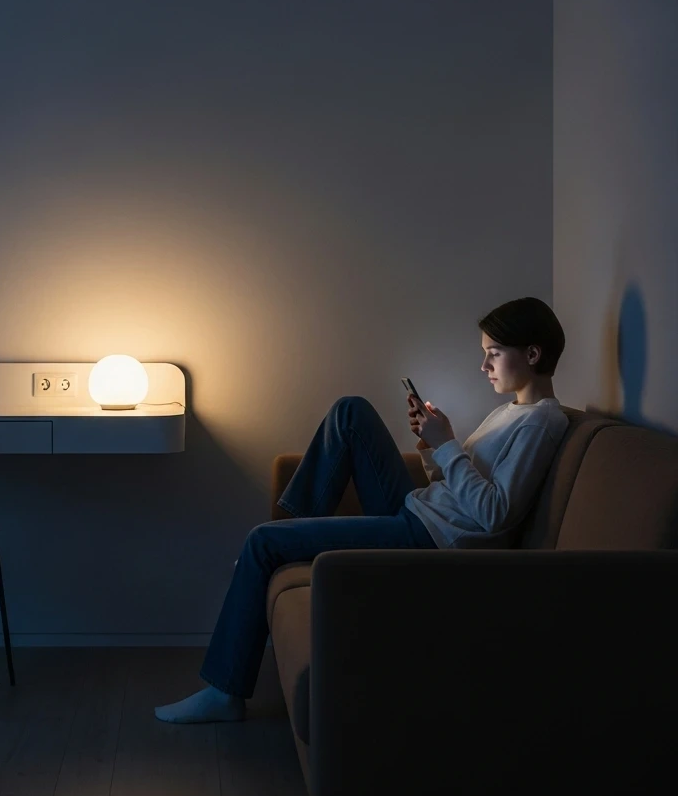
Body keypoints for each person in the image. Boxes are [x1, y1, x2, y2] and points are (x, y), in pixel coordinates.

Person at [154, 296, 569, 724]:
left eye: (494, 353)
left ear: (532, 354)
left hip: (434, 541)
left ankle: (224, 692)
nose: (484, 366)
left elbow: (495, 513)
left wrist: (447, 443)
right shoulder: (511, 411)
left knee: (262, 541)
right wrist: (431, 446)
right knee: (351, 412)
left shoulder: (542, 423)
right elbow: (457, 486)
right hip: (422, 512)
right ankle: (289, 538)